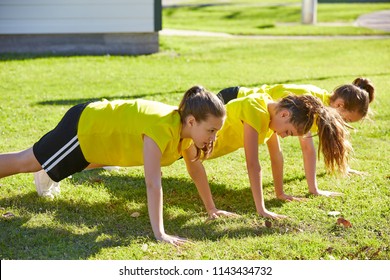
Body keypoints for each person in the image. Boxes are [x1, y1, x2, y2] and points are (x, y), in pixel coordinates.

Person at [0, 85, 229, 246]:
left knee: (57, 163)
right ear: (191, 121)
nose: (213, 137)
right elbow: (152, 183)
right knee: (26, 162)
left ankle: (47, 172)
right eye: (211, 130)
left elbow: (196, 168)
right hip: (86, 127)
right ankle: (45, 170)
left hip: (102, 140)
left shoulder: (183, 131)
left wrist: (211, 209)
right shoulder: (162, 128)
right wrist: (160, 233)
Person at [183, 93, 352, 219]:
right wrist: (261, 209)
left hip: (203, 149)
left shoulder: (271, 113)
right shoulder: (255, 110)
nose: (284, 136)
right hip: (192, 143)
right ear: (284, 114)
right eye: (288, 131)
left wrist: (280, 193)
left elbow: (276, 155)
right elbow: (253, 164)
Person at [217, 78, 374, 201]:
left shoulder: (322, 113)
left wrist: (314, 189)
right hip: (232, 99)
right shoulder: (309, 100)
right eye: (347, 120)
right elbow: (294, 143)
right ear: (339, 105)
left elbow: (308, 149)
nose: (344, 124)